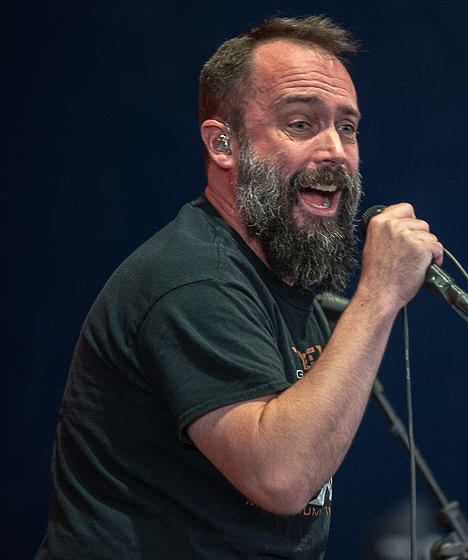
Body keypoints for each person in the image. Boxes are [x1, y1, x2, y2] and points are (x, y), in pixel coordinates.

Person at [36, 16, 443, 559]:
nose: (335, 151)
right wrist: (379, 295)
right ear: (223, 144)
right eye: (300, 123)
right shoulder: (192, 279)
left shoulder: (285, 282)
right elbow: (281, 476)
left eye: (347, 128)